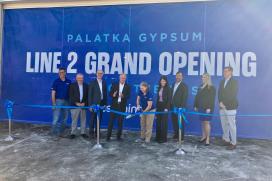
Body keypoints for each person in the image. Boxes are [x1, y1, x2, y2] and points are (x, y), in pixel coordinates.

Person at [218, 66, 238, 150]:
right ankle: (226, 139)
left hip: (230, 107)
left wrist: (224, 103)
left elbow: (233, 94)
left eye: (226, 71)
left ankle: (233, 143)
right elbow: (219, 93)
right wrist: (220, 102)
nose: (224, 73)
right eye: (224, 71)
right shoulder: (222, 81)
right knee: (224, 124)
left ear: (231, 72)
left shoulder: (234, 82)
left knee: (232, 126)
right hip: (222, 107)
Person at [194, 73, 216, 146]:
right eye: (202, 77)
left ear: (208, 78)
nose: (203, 78)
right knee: (203, 122)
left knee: (207, 122)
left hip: (207, 109)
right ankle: (203, 136)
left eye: (205, 77)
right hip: (201, 107)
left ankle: (208, 139)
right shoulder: (200, 86)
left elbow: (212, 99)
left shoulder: (212, 87)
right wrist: (196, 105)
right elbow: (197, 97)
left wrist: (209, 108)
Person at [107, 74, 130, 141]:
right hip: (114, 106)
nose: (123, 79)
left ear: (125, 79)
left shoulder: (128, 86)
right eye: (122, 78)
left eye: (124, 78)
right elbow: (110, 94)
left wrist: (123, 96)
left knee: (120, 122)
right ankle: (108, 137)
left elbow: (128, 96)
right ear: (119, 78)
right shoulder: (114, 84)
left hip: (122, 106)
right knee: (111, 122)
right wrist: (113, 95)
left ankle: (118, 137)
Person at [51, 68, 71, 136]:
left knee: (65, 118)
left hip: (66, 102)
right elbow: (53, 93)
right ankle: (54, 133)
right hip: (58, 101)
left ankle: (61, 132)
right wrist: (54, 103)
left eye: (62, 72)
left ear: (65, 73)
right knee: (56, 118)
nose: (61, 74)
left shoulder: (69, 81)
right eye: (59, 72)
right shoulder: (56, 81)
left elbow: (71, 93)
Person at [88, 70, 107, 139]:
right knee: (92, 119)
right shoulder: (92, 82)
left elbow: (105, 94)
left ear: (103, 74)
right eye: (98, 73)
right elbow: (90, 94)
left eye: (101, 73)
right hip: (94, 104)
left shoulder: (104, 82)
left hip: (101, 103)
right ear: (96, 74)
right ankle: (91, 133)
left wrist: (105, 104)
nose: (100, 74)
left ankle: (97, 133)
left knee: (99, 119)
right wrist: (90, 105)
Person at [69, 73, 88, 139]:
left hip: (83, 106)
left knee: (83, 120)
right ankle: (73, 133)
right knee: (74, 120)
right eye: (79, 78)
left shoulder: (86, 85)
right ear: (76, 78)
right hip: (75, 106)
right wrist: (76, 103)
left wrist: (84, 103)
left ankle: (83, 132)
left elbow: (87, 96)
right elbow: (71, 96)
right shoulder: (72, 85)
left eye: (81, 78)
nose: (80, 79)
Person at [171, 72, 188, 141]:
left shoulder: (184, 86)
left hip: (180, 108)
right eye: (177, 76)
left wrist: (181, 107)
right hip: (173, 106)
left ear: (182, 77)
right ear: (176, 76)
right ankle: (176, 134)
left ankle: (181, 137)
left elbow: (184, 97)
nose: (178, 77)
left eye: (180, 76)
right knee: (174, 121)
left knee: (180, 122)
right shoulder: (173, 84)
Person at [155, 76, 172, 143]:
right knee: (158, 122)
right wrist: (156, 109)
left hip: (165, 107)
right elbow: (157, 99)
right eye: (161, 81)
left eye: (164, 81)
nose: (163, 82)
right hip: (159, 106)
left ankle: (163, 138)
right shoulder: (159, 88)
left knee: (164, 123)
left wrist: (167, 108)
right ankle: (158, 137)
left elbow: (169, 99)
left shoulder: (168, 88)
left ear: (166, 81)